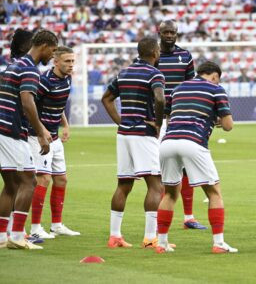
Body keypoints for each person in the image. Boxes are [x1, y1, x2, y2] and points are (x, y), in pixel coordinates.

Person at [156, 61, 237, 254]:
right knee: (214, 193)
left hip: (167, 142)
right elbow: (228, 125)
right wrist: (214, 119)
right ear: (215, 76)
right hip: (193, 142)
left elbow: (170, 116)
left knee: (169, 193)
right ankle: (218, 244)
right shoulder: (216, 89)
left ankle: (161, 243)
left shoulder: (178, 88)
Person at [0, 29, 58, 249]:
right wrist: (40, 133)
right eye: (53, 51)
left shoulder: (15, 65)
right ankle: (18, 236)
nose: (52, 56)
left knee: (11, 185)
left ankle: (0, 238)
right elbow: (28, 102)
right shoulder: (30, 69)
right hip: (11, 130)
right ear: (44, 46)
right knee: (29, 181)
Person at [101, 36, 165, 248]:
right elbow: (160, 98)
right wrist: (157, 124)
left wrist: (121, 121)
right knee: (156, 185)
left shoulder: (124, 73)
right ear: (155, 53)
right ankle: (149, 237)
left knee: (124, 184)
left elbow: (106, 98)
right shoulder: (154, 74)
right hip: (143, 134)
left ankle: (114, 236)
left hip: (124, 134)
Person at [156, 20, 206, 230]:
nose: (169, 35)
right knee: (158, 171)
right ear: (159, 33)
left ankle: (188, 217)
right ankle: (157, 220)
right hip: (157, 120)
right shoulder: (152, 55)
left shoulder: (185, 56)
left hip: (179, 118)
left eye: (173, 32)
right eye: (166, 32)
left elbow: (190, 86)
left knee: (185, 168)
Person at [28, 46, 80, 240]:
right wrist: (41, 132)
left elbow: (59, 106)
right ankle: (35, 228)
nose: (71, 65)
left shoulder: (68, 78)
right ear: (55, 61)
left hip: (55, 136)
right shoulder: (44, 81)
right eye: (67, 61)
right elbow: (31, 107)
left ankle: (56, 225)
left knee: (61, 179)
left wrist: (65, 125)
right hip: (39, 136)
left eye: (73, 61)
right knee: (43, 179)